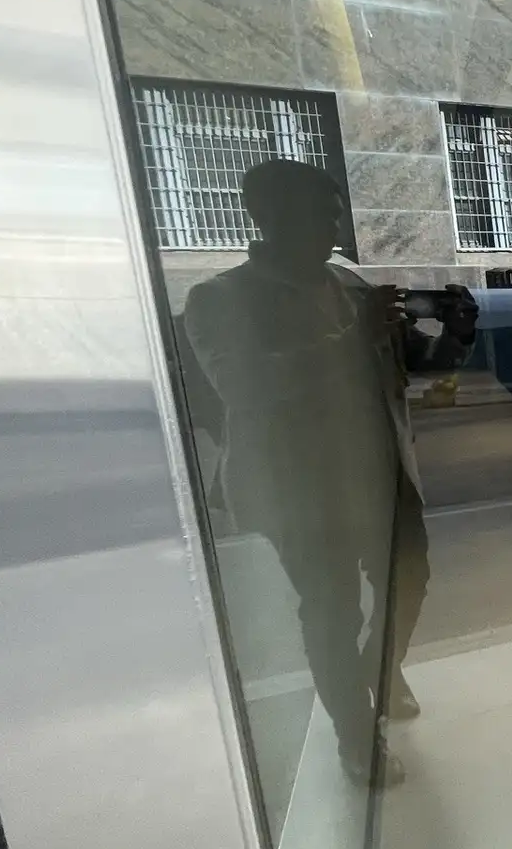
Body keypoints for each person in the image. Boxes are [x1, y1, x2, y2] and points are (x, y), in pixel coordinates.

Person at [185, 159, 477, 785]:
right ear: (269, 217)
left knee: (410, 580)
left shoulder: (349, 286)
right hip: (302, 491)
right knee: (331, 611)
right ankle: (356, 736)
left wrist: (456, 337)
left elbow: (415, 360)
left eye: (336, 214)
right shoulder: (219, 299)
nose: (335, 228)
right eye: (322, 215)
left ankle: (380, 672)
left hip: (380, 474)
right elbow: (242, 384)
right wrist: (352, 338)